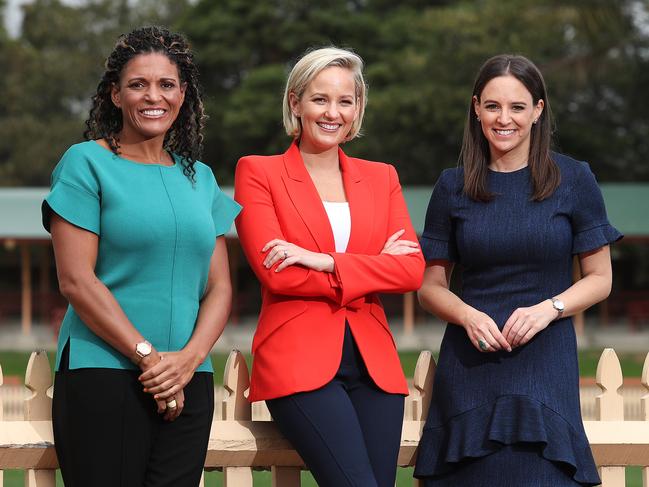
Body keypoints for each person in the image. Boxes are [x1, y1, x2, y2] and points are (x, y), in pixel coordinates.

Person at [42, 26, 240, 487]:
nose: (154, 96)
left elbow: (220, 287)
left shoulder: (203, 179)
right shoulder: (84, 163)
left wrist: (188, 361)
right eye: (138, 84)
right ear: (115, 95)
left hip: (189, 381)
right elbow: (75, 279)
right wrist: (151, 360)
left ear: (183, 93)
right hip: (104, 374)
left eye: (166, 84)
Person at [414, 54, 622, 486]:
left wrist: (551, 307)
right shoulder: (451, 187)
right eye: (492, 106)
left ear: (538, 110)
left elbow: (600, 278)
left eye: (517, 107)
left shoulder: (575, 179)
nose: (504, 118)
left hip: (544, 363)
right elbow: (430, 287)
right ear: (476, 108)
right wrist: (467, 315)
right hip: (471, 366)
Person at [234, 46, 424, 487]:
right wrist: (373, 266)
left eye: (345, 100)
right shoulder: (258, 172)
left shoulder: (382, 177)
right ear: (295, 102)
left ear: (358, 108)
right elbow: (277, 272)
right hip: (298, 361)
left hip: (375, 365)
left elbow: (412, 271)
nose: (332, 112)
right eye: (320, 99)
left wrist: (323, 261)